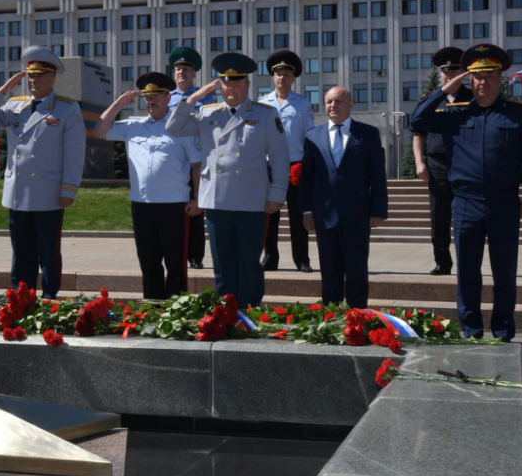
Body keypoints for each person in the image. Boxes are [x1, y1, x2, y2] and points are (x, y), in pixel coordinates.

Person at [411, 44, 522, 341]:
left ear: (500, 79)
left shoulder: (517, 115)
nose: (483, 82)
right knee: (467, 272)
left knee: (504, 272)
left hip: (504, 203)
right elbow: (417, 120)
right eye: (477, 77)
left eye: (489, 76)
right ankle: (471, 330)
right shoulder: (453, 114)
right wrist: (448, 86)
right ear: (470, 80)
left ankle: (503, 330)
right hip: (467, 202)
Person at [166, 52, 289, 307]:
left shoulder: (265, 114)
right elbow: (173, 128)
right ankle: (226, 310)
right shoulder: (207, 113)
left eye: (236, 82)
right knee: (222, 263)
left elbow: (279, 156)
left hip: (252, 198)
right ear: (219, 85)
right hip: (217, 198)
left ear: (246, 84)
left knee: (248, 262)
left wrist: (277, 194)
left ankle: (250, 309)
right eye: (225, 82)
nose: (230, 87)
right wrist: (192, 99)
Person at [0, 46, 86, 299]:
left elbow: (75, 153)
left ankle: (49, 297)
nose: (33, 80)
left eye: (39, 75)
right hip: (18, 191)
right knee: (21, 249)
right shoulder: (16, 105)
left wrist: (69, 188)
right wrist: (4, 90)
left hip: (48, 191)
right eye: (30, 76)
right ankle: (20, 296)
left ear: (52, 77)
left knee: (48, 249)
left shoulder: (66, 108)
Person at [93, 72, 202, 299]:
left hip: (174, 205)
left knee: (175, 263)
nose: (151, 101)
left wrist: (198, 198)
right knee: (148, 261)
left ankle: (175, 309)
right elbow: (98, 130)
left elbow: (197, 165)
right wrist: (118, 104)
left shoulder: (181, 128)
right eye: (147, 97)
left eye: (156, 96)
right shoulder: (133, 126)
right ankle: (152, 308)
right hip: (142, 205)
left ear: (167, 97)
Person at [300, 86, 388, 308]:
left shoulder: (368, 134)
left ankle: (357, 318)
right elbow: (306, 178)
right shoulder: (312, 136)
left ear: (350, 104)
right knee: (329, 272)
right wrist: (307, 210)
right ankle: (332, 319)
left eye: (338, 101)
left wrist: (378, 210)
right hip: (324, 216)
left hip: (357, 216)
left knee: (357, 271)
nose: (333, 106)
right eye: (329, 101)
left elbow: (376, 175)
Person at [412, 47, 474, 276]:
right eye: (445, 71)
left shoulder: (474, 99)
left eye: (454, 70)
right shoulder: (430, 101)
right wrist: (419, 162)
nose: (449, 75)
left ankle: (467, 262)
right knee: (439, 218)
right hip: (437, 165)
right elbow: (418, 131)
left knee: (466, 218)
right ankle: (442, 262)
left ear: (463, 71)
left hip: (465, 166)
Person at [258, 50, 316, 273]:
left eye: (287, 74)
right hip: (269, 166)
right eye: (278, 74)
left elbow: (309, 136)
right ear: (273, 77)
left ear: (294, 78)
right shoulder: (262, 104)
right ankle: (270, 257)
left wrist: (307, 164)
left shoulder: (302, 104)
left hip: (294, 165)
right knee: (270, 215)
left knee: (297, 215)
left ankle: (302, 259)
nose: (282, 78)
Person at [168, 46, 213, 270]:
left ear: (194, 73)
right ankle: (175, 253)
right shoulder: (166, 97)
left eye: (186, 69)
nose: (181, 72)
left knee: (196, 208)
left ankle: (195, 256)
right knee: (173, 210)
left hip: (197, 160)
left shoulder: (206, 97)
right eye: (178, 68)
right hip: (174, 162)